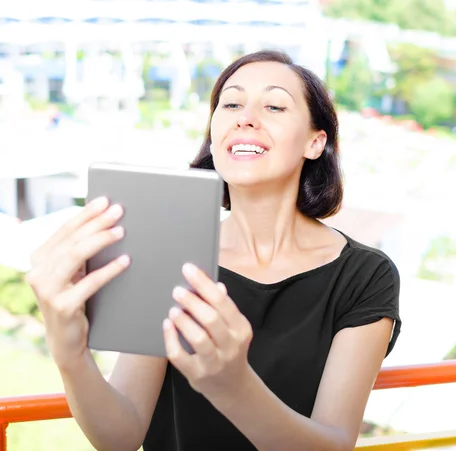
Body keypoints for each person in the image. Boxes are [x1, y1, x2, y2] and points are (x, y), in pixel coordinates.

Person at [26, 50, 401, 451]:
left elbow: (334, 444)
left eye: (274, 105)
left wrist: (233, 386)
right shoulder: (173, 250)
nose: (246, 117)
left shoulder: (365, 275)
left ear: (314, 142)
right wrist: (69, 353)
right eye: (232, 103)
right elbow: (120, 435)